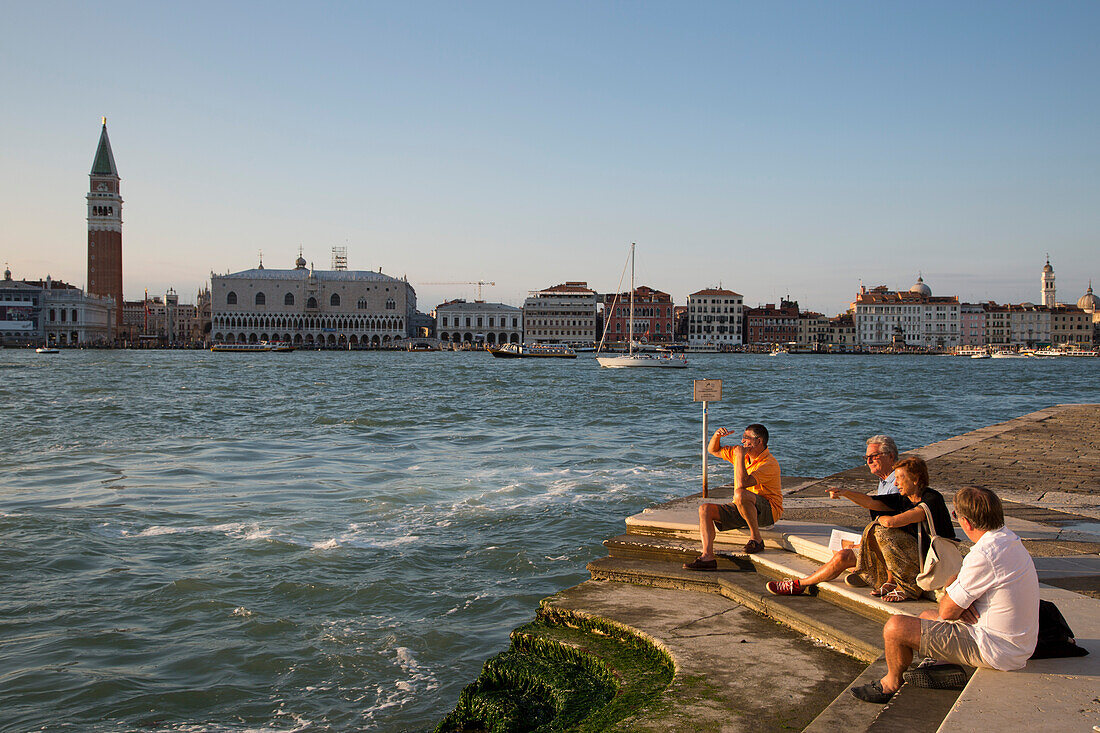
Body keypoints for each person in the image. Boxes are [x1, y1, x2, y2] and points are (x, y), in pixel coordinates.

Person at [851, 486, 1040, 704]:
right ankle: (945, 666)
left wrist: (955, 603)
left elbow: (947, 610)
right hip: (1017, 644)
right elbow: (957, 582)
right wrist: (958, 601)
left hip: (995, 648)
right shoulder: (1008, 540)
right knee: (925, 616)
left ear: (966, 522)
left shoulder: (984, 554)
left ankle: (890, 683)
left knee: (895, 628)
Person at [765, 456, 955, 601]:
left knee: (880, 530)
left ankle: (905, 587)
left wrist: (881, 520)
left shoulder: (932, 499)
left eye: (899, 478)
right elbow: (871, 502)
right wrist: (845, 493)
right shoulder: (904, 498)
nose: (895, 483)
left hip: (931, 561)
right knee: (843, 556)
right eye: (895, 478)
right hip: (902, 558)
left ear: (916, 479)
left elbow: (896, 521)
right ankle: (800, 584)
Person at [683, 423, 782, 569]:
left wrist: (740, 456)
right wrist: (717, 436)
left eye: (746, 438)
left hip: (768, 511)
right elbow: (713, 450)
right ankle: (707, 556)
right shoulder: (741, 455)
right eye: (743, 437)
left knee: (740, 493)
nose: (742, 441)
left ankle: (756, 539)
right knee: (705, 509)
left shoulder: (769, 463)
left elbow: (743, 483)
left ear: (759, 441)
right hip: (742, 506)